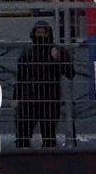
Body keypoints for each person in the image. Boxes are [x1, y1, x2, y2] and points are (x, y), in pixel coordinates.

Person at [15, 22, 71, 150]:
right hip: (29, 98)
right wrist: (17, 96)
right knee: (23, 135)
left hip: (50, 97)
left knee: (49, 135)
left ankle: (49, 159)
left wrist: (58, 59)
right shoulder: (27, 53)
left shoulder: (58, 51)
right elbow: (20, 77)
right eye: (38, 33)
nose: (40, 36)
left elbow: (70, 73)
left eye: (43, 33)